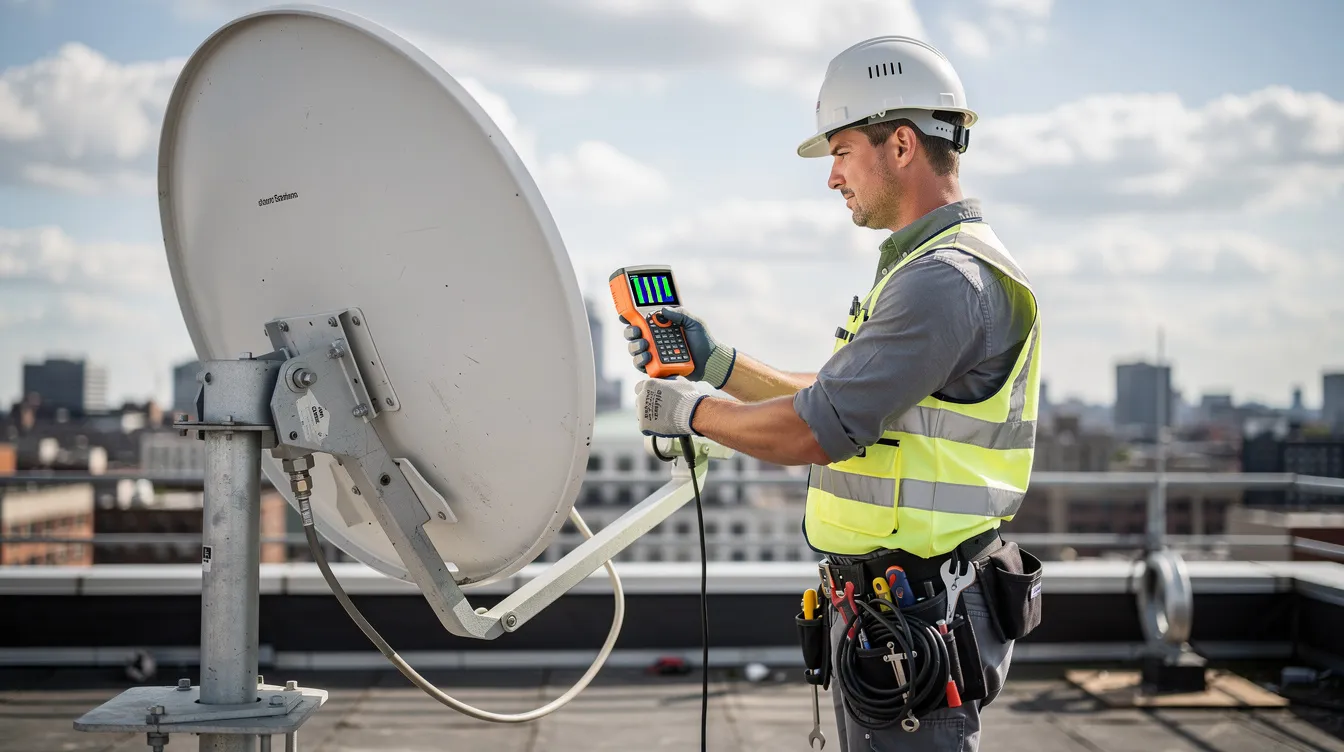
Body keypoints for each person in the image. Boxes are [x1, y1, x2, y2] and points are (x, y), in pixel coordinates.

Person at [621, 35, 1043, 751]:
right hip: (897, 609)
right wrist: (715, 362)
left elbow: (813, 429)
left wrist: (689, 412)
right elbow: (839, 392)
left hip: (919, 616)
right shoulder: (926, 270)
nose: (832, 177)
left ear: (901, 145)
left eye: (843, 151)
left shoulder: (944, 282)